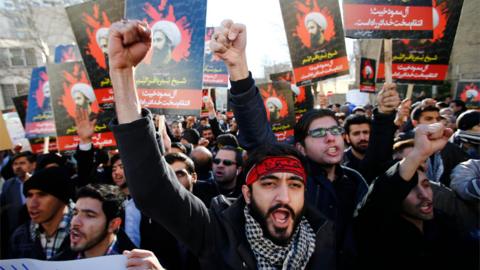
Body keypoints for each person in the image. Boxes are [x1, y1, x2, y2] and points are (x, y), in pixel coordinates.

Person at [107, 18, 335, 269]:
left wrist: (239, 66)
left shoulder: (326, 238)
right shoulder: (219, 235)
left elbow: (263, 145)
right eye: (269, 184)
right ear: (246, 193)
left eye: (294, 185)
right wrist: (123, 73)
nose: (283, 197)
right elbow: (153, 189)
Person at [355, 123, 472, 270]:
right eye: (409, 189)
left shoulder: (444, 223)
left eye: (426, 185)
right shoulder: (378, 230)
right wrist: (418, 154)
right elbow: (383, 191)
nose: (424, 195)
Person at [53, 184, 135, 259]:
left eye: (89, 215)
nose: (75, 222)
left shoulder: (136, 265)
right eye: (75, 213)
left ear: (113, 224)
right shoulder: (56, 265)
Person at [8, 167, 75, 259]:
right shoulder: (20, 236)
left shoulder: (86, 231)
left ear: (62, 199)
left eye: (42, 195)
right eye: (29, 195)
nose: (33, 204)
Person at [0, 151, 36, 258]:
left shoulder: (38, 181)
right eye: (15, 164)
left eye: (22, 163)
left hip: (36, 231)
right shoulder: (8, 184)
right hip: (15, 233)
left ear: (33, 165)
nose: (18, 167)